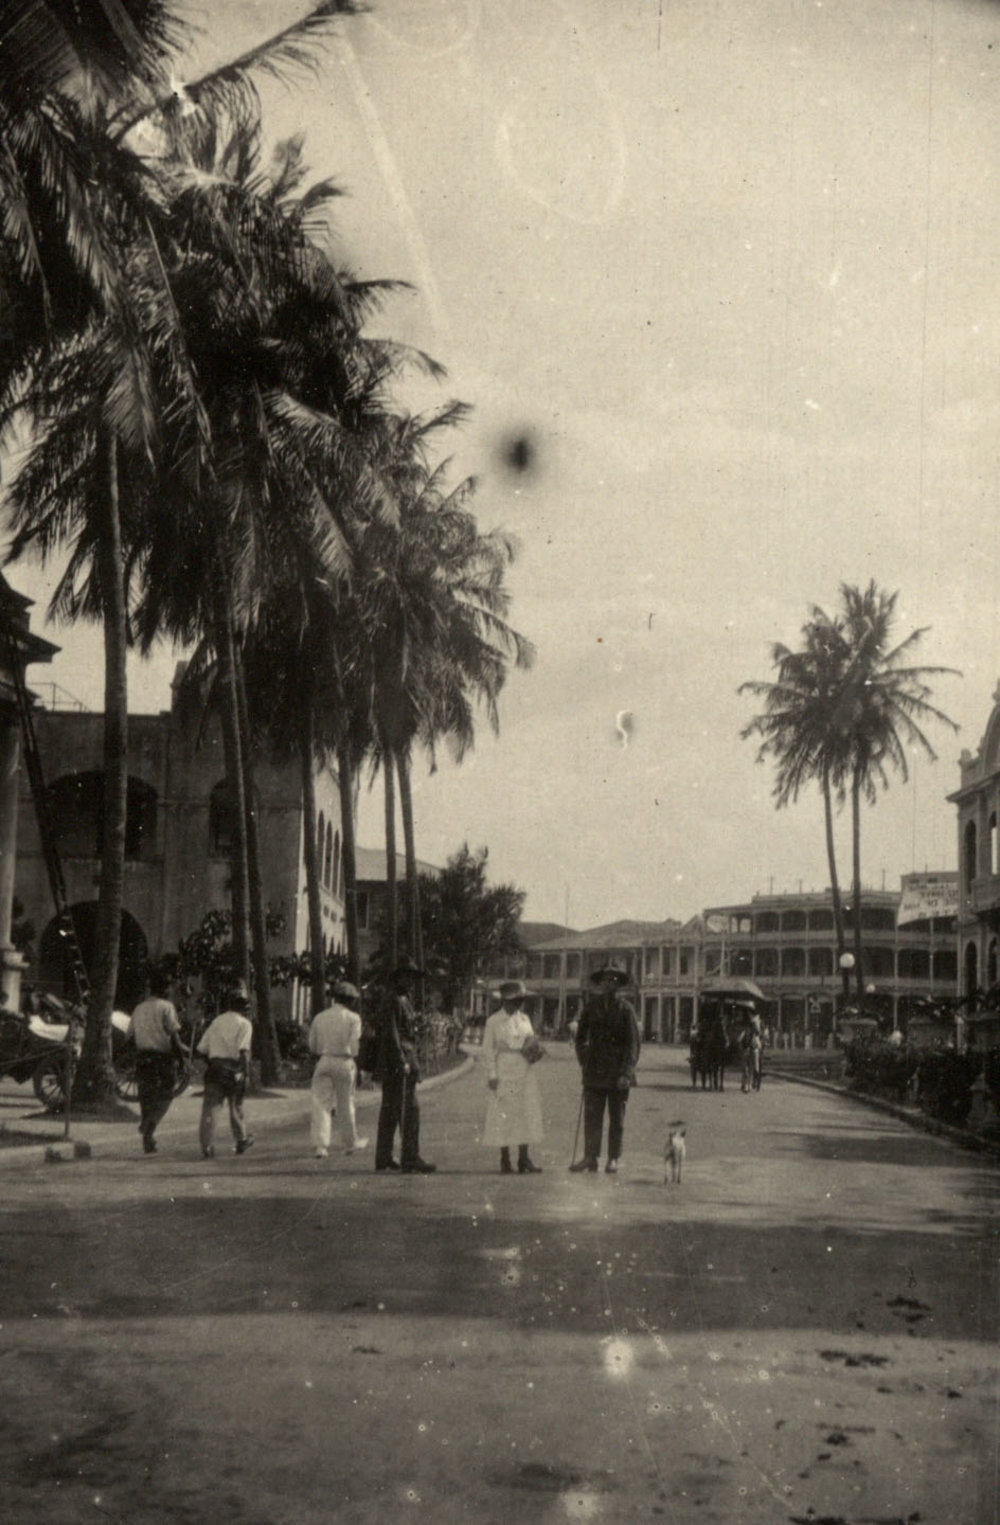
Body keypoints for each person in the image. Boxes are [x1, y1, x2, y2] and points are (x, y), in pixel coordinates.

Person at [570, 961, 641, 1174]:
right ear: (600, 982)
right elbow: (580, 1038)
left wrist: (626, 1072)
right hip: (594, 1070)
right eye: (605, 979)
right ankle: (590, 1157)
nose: (609, 983)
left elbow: (633, 1044)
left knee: (617, 1118)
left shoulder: (626, 1009)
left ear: (618, 984)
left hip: (618, 1072)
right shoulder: (591, 1008)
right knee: (592, 1117)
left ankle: (613, 1158)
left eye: (613, 979)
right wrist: (584, 1059)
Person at [374, 958, 436, 1174]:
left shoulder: (402, 998)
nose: (410, 981)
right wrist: (402, 1061)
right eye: (407, 976)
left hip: (402, 1059)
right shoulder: (393, 999)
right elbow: (392, 1034)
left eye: (412, 977)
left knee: (391, 1111)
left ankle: (384, 1157)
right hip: (399, 1062)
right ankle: (409, 1158)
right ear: (398, 977)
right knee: (410, 1111)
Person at [480, 979, 543, 1174]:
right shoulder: (493, 1021)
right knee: (504, 1114)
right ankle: (505, 1159)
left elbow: (531, 1040)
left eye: (520, 1001)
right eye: (514, 1001)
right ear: (505, 1001)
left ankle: (524, 1158)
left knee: (525, 1112)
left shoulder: (524, 1019)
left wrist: (535, 1050)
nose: (518, 1004)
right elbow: (488, 1050)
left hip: (524, 1069)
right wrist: (492, 1074)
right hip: (504, 1069)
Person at [127, 968, 186, 1154]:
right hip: (162, 1058)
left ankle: (148, 1139)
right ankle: (150, 1124)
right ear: (164, 988)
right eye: (169, 986)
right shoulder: (166, 1007)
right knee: (167, 1093)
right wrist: (183, 1060)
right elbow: (174, 1037)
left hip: (142, 1057)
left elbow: (130, 1036)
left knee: (146, 1098)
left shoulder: (139, 1008)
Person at [308, 980, 369, 1159]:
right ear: (349, 1000)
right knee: (346, 1103)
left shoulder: (320, 1017)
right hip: (344, 1061)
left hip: (324, 1060)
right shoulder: (353, 1018)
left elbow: (313, 1044)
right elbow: (354, 1044)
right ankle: (350, 1143)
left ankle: (320, 1146)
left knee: (321, 1103)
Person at [197, 980, 254, 1159]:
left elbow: (201, 1049)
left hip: (215, 1068)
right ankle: (241, 1139)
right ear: (244, 1006)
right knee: (235, 1106)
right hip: (234, 1069)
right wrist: (246, 1073)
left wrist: (213, 1062)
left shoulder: (216, 1021)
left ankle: (206, 1146)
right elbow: (244, 1051)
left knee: (210, 1108)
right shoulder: (245, 1024)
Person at [739, 1007, 763, 1093]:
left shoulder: (756, 1023)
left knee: (754, 1067)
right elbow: (741, 1039)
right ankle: (745, 1084)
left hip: (753, 1049)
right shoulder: (746, 1029)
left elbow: (758, 1034)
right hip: (746, 1049)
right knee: (745, 1068)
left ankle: (750, 1083)